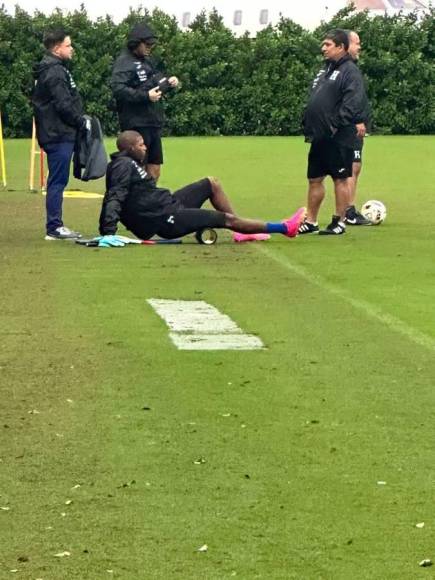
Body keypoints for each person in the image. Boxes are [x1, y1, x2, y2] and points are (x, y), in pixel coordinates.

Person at [99, 131, 306, 243]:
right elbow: (115, 197)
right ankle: (285, 227)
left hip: (168, 204)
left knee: (211, 183)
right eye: (141, 144)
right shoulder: (123, 166)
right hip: (164, 220)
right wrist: (108, 232)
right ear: (131, 148)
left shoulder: (130, 163)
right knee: (226, 220)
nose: (145, 147)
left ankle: (241, 232)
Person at [298, 29, 367, 236]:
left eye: (327, 45)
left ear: (341, 47)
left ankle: (339, 222)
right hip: (319, 135)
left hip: (338, 135)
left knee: (341, 178)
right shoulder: (326, 69)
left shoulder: (350, 71)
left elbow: (353, 102)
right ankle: (311, 221)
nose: (323, 48)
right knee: (314, 179)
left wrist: (336, 124)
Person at [32, 29, 87, 240]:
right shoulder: (54, 71)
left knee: (58, 179)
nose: (72, 48)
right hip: (57, 133)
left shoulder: (54, 69)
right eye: (68, 45)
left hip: (56, 132)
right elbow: (64, 105)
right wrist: (81, 121)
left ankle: (55, 225)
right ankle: (54, 227)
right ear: (57, 48)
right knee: (57, 180)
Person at [111, 22, 179, 182]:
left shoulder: (148, 61)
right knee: (138, 169)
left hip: (153, 122)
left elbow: (156, 82)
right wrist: (145, 96)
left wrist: (170, 82)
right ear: (136, 43)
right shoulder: (123, 62)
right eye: (147, 44)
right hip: (136, 124)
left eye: (152, 44)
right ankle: (136, 203)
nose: (150, 47)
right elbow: (118, 89)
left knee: (155, 169)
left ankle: (151, 201)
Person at [344, 30, 372, 226]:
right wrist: (357, 120)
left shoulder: (347, 68)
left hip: (351, 126)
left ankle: (347, 210)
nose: (359, 47)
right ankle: (348, 211)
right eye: (356, 43)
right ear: (346, 46)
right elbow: (348, 98)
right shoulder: (347, 69)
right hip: (349, 126)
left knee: (354, 168)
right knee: (351, 167)